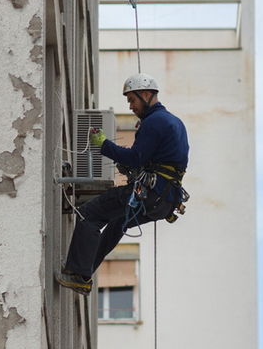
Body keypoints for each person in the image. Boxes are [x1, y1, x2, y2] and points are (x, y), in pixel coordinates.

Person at [56, 73, 190, 295]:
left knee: (89, 214)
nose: (131, 106)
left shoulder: (155, 122)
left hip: (150, 193)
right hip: (164, 201)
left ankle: (78, 274)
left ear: (146, 95)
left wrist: (104, 145)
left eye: (132, 100)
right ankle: (84, 271)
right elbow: (157, 161)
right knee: (118, 222)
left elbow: (135, 157)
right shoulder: (175, 123)